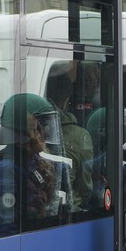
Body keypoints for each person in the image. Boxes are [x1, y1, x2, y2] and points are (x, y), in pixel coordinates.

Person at [0, 93, 72, 237]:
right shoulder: (8, 169)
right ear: (26, 130)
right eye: (42, 126)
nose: (47, 133)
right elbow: (5, 230)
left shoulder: (31, 159)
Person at [46, 62, 94, 209]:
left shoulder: (34, 129)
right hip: (72, 212)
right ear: (66, 102)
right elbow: (85, 189)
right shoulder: (81, 136)